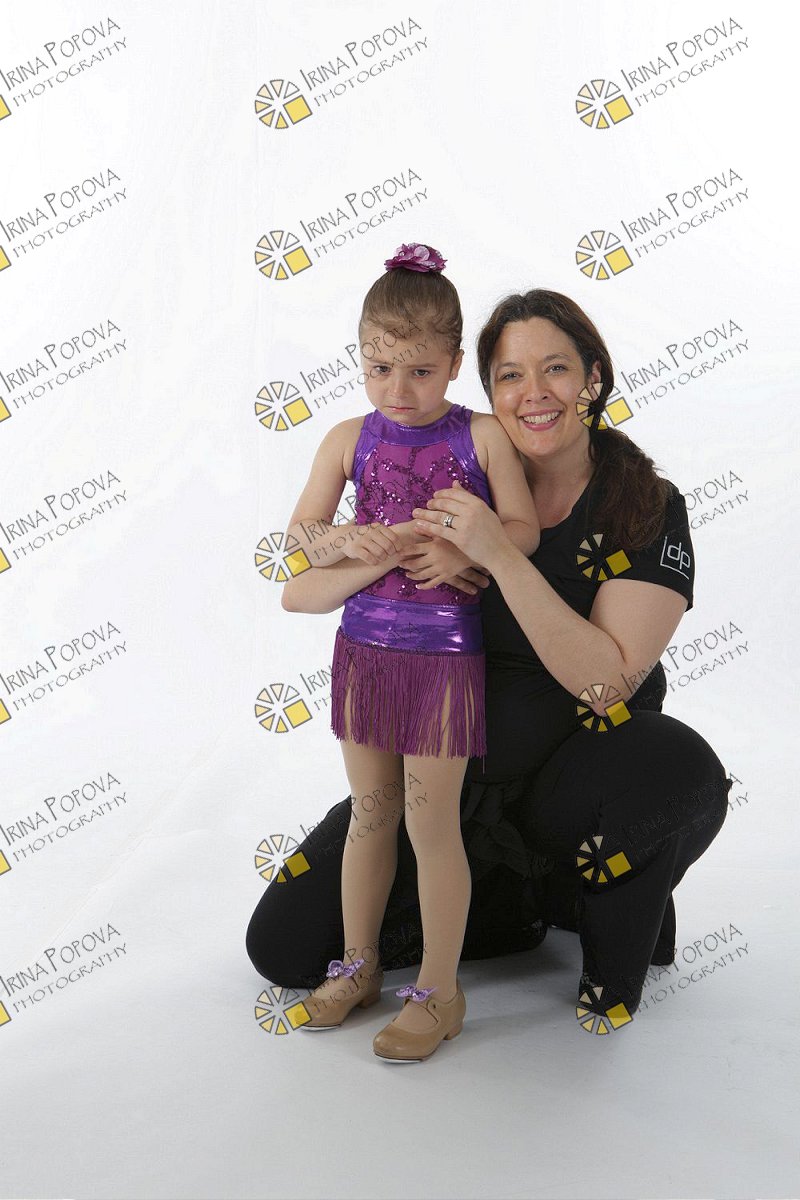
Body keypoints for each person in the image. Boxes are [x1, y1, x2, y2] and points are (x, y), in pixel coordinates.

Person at [248, 287, 729, 1044]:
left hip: (567, 778)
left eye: (556, 369)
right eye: (509, 375)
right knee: (283, 946)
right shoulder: (454, 463)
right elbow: (299, 583)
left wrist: (497, 554)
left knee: (671, 764)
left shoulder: (642, 503)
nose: (533, 392)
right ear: (485, 389)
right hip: (449, 773)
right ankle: (512, 909)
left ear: (594, 377)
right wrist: (375, 549)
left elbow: (607, 683)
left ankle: (581, 911)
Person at [279, 243, 539, 1061]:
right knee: (371, 813)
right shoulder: (347, 439)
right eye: (379, 368)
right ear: (360, 358)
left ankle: (438, 990)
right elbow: (299, 535)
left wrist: (467, 550)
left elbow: (524, 530)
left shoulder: (482, 436)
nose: (399, 388)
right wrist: (340, 539)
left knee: (431, 823)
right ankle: (357, 966)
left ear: (456, 364)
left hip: (444, 660)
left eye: (421, 371)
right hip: (364, 652)